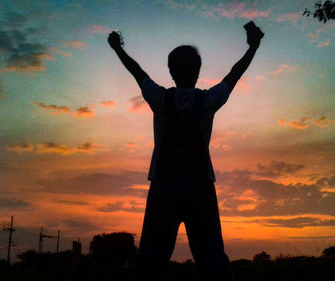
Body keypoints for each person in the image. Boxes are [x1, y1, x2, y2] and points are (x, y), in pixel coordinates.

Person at [108, 23, 264, 281]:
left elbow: (137, 72)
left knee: (150, 259)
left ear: (171, 71)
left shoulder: (159, 98)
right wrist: (253, 48)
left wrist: (118, 49)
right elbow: (233, 75)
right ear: (198, 71)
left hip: (163, 186)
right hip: (200, 185)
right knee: (212, 257)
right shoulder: (208, 101)